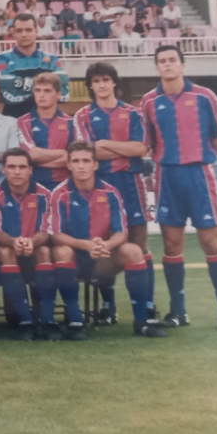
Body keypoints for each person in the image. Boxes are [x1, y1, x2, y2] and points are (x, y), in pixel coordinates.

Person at [139, 46, 217, 331]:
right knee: (171, 244)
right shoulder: (148, 101)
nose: (167, 64)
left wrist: (200, 156)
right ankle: (178, 312)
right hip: (167, 176)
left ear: (182, 65)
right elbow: (147, 141)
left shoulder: (205, 96)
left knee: (211, 243)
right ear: (157, 67)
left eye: (172, 60)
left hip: (199, 175)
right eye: (162, 61)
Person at [50, 141, 164, 340]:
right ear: (68, 165)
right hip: (76, 257)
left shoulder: (111, 192)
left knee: (133, 250)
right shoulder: (59, 194)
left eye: (86, 161)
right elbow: (57, 235)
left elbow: (121, 233)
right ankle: (76, 322)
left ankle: (141, 322)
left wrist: (107, 245)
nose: (81, 166)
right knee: (62, 251)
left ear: (95, 164)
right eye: (76, 161)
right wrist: (85, 245)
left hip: (103, 258)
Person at [73, 62, 153, 326]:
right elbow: (87, 153)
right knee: (103, 243)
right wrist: (123, 149)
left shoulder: (133, 113)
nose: (102, 85)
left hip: (130, 183)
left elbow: (140, 148)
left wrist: (105, 144)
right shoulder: (82, 115)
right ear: (91, 85)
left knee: (139, 244)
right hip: (99, 185)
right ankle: (108, 306)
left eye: (106, 79)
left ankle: (148, 305)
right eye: (96, 81)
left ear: (114, 82)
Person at [0, 148, 53, 339]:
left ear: (30, 170)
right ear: (3, 169)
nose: (17, 172)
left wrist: (32, 241)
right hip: (8, 251)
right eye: (12, 167)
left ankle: (48, 322)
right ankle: (25, 321)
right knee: (4, 251)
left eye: (22, 167)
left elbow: (46, 230)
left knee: (44, 251)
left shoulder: (45, 194)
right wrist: (13, 241)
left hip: (34, 248)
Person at [0, 13, 69, 119]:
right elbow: (7, 93)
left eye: (28, 30)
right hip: (13, 120)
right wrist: (46, 89)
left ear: (36, 31)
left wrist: (20, 84)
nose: (24, 34)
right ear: (13, 33)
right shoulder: (2, 58)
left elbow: (63, 94)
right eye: (19, 31)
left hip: (47, 121)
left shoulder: (52, 59)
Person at [17, 72, 75, 191]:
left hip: (66, 185)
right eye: (37, 90)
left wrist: (37, 162)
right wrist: (64, 153)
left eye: (47, 91)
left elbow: (74, 157)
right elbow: (30, 155)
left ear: (58, 94)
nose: (41, 95)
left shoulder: (71, 122)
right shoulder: (22, 122)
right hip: (33, 186)